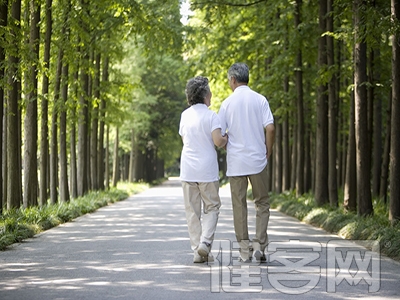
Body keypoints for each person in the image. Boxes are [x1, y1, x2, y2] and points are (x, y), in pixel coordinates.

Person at [218, 63, 275, 263]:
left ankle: (244, 250)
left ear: (233, 80)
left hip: (236, 163)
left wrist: (227, 146)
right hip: (258, 160)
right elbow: (270, 128)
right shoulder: (260, 100)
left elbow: (220, 135)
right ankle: (259, 245)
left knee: (239, 205)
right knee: (262, 203)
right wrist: (268, 149)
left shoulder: (226, 104)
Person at [179, 76, 228, 263]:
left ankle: (196, 251)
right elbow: (218, 141)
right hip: (207, 170)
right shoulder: (211, 115)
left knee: (192, 211)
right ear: (205, 95)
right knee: (212, 207)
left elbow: (185, 140)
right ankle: (205, 243)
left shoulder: (185, 115)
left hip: (188, 169)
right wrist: (226, 138)